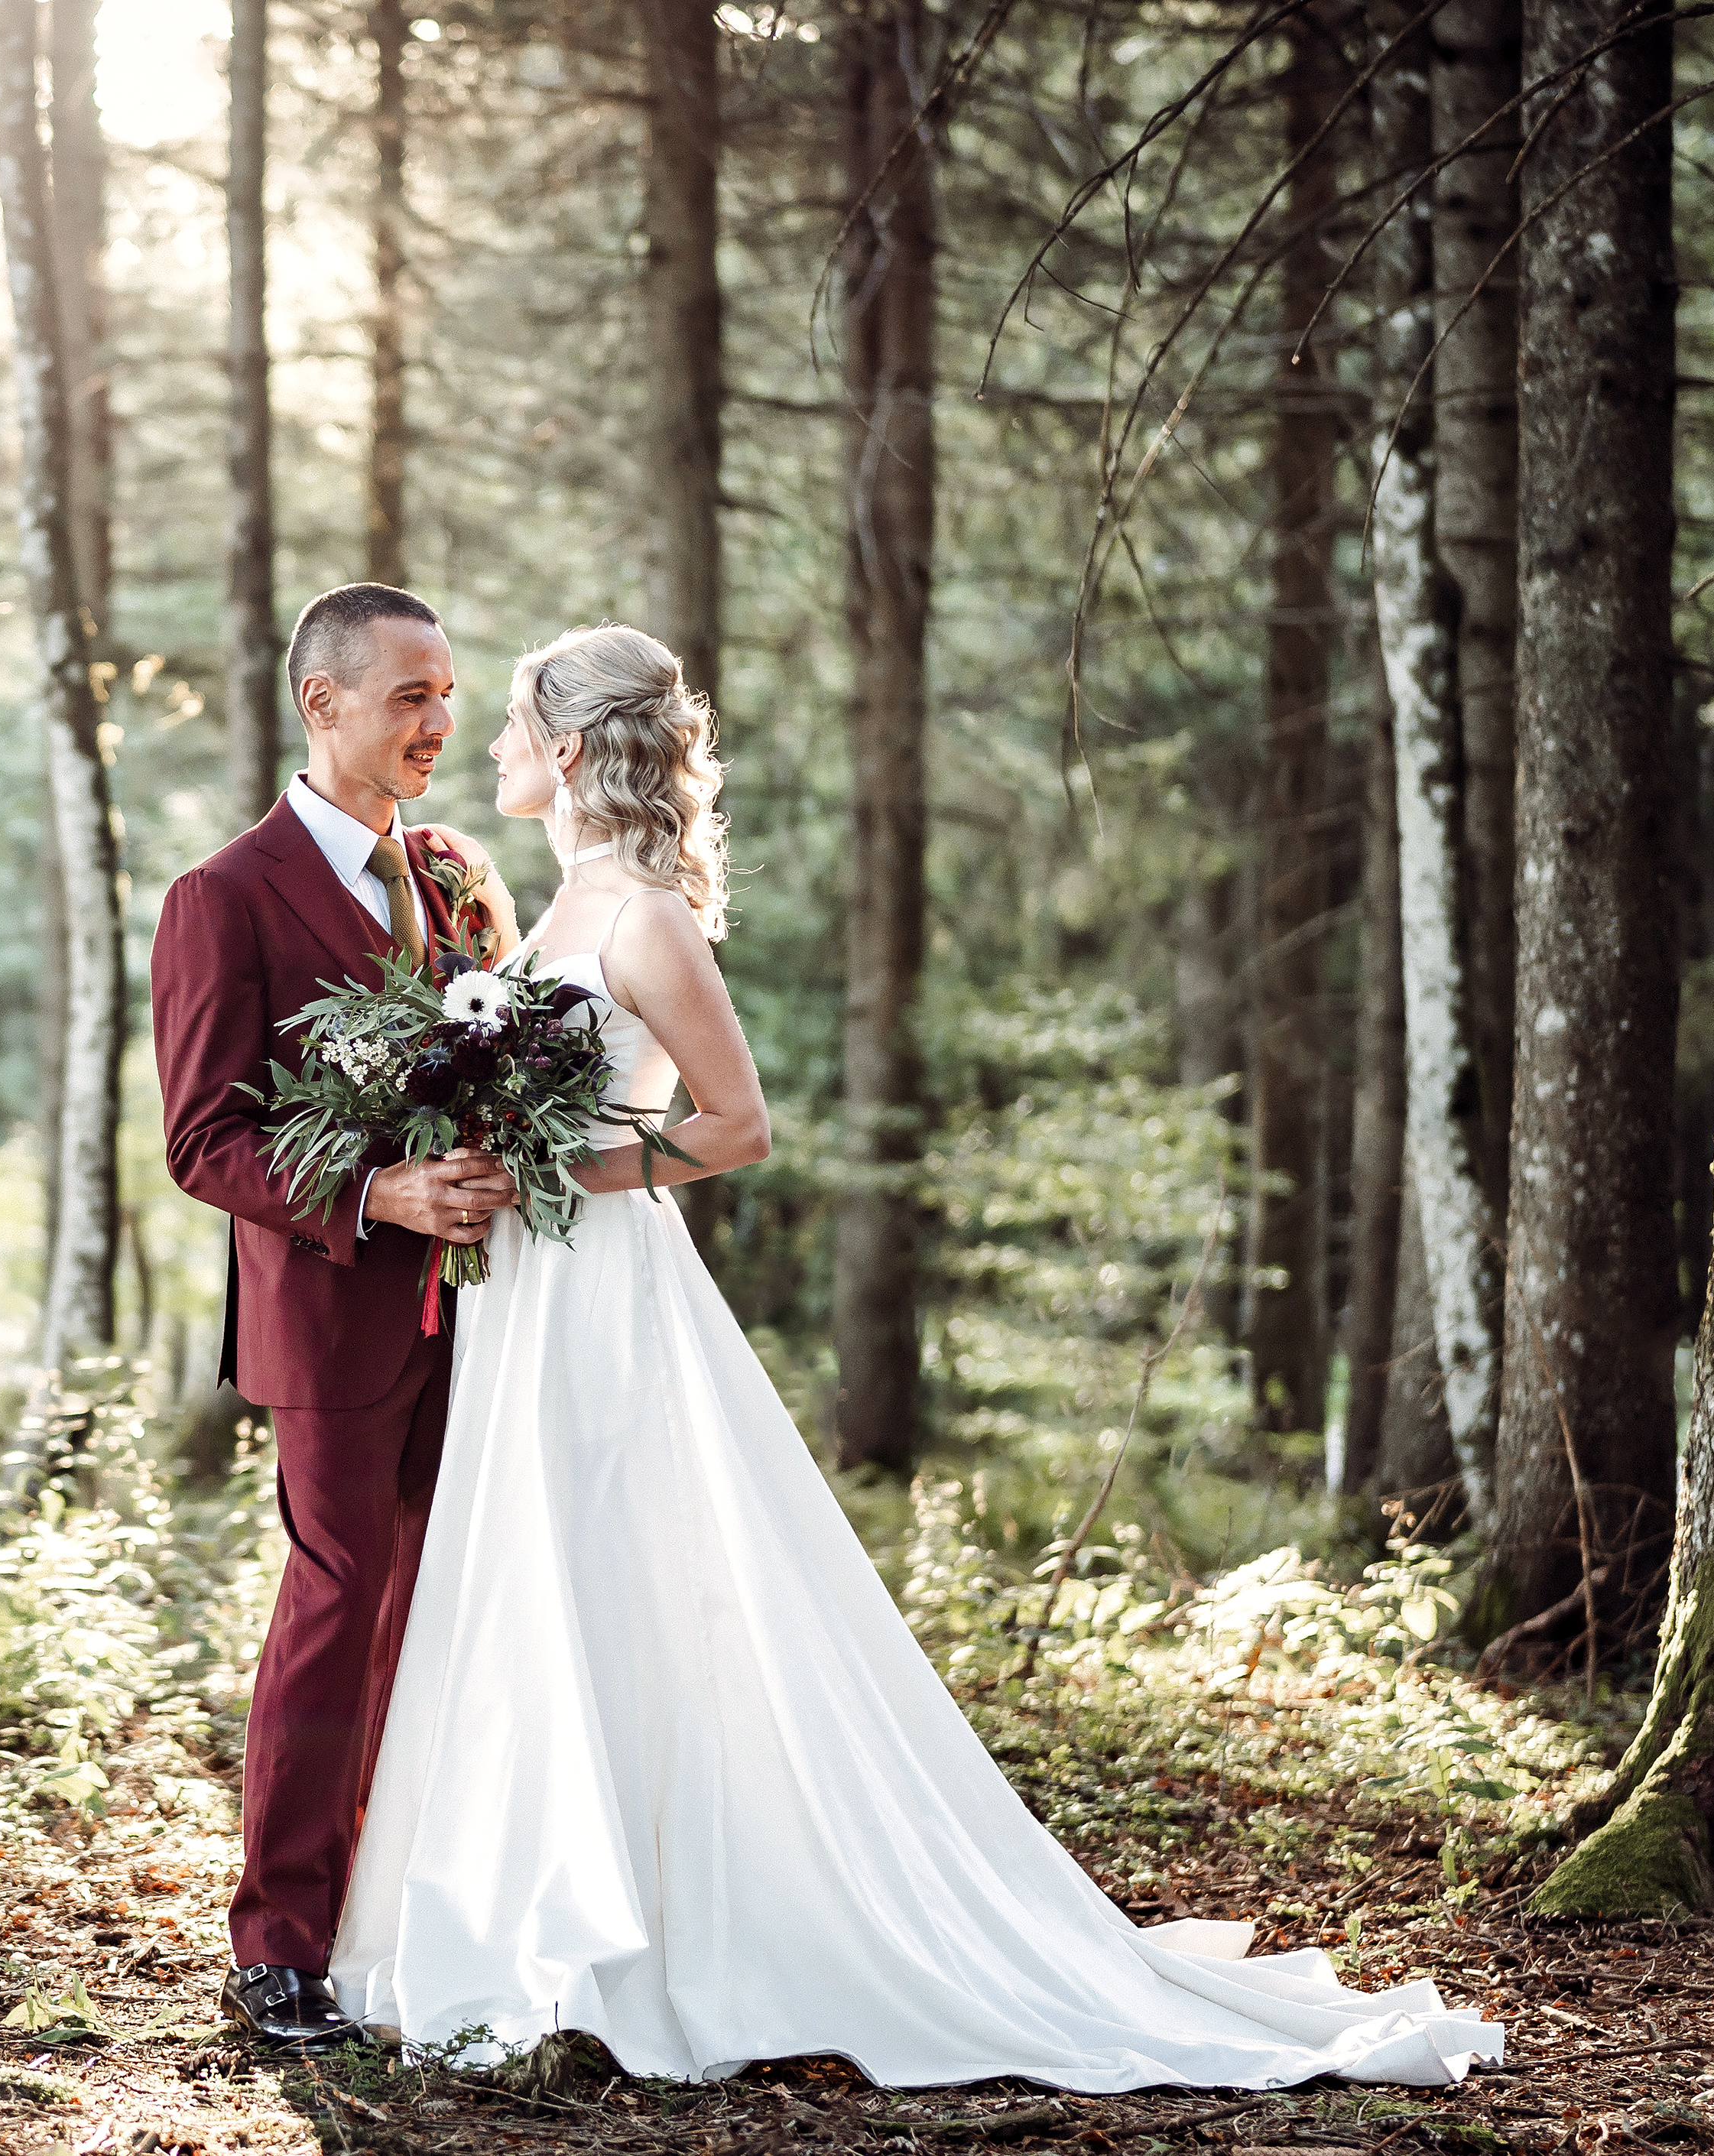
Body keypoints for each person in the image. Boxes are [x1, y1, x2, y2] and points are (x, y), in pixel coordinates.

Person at [324, 622, 1505, 2089]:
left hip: (597, 1289)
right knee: (530, 1576)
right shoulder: (554, 909)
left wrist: (566, 1175)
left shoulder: (644, 921)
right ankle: (538, 1909)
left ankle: (670, 1929)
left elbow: (736, 1128)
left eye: (507, 722)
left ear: (567, 748)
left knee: (614, 1572)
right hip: (522, 1292)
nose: (489, 746)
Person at [152, 583, 521, 2047]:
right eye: (414, 696)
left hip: (486, 1315)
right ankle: (279, 1948)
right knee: (335, 1606)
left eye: (450, 694)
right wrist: (379, 1195)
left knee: (443, 1611)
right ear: (325, 705)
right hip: (332, 1319)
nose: (445, 722)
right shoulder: (222, 898)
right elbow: (201, 1141)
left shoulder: (450, 877)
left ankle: (399, 1913)